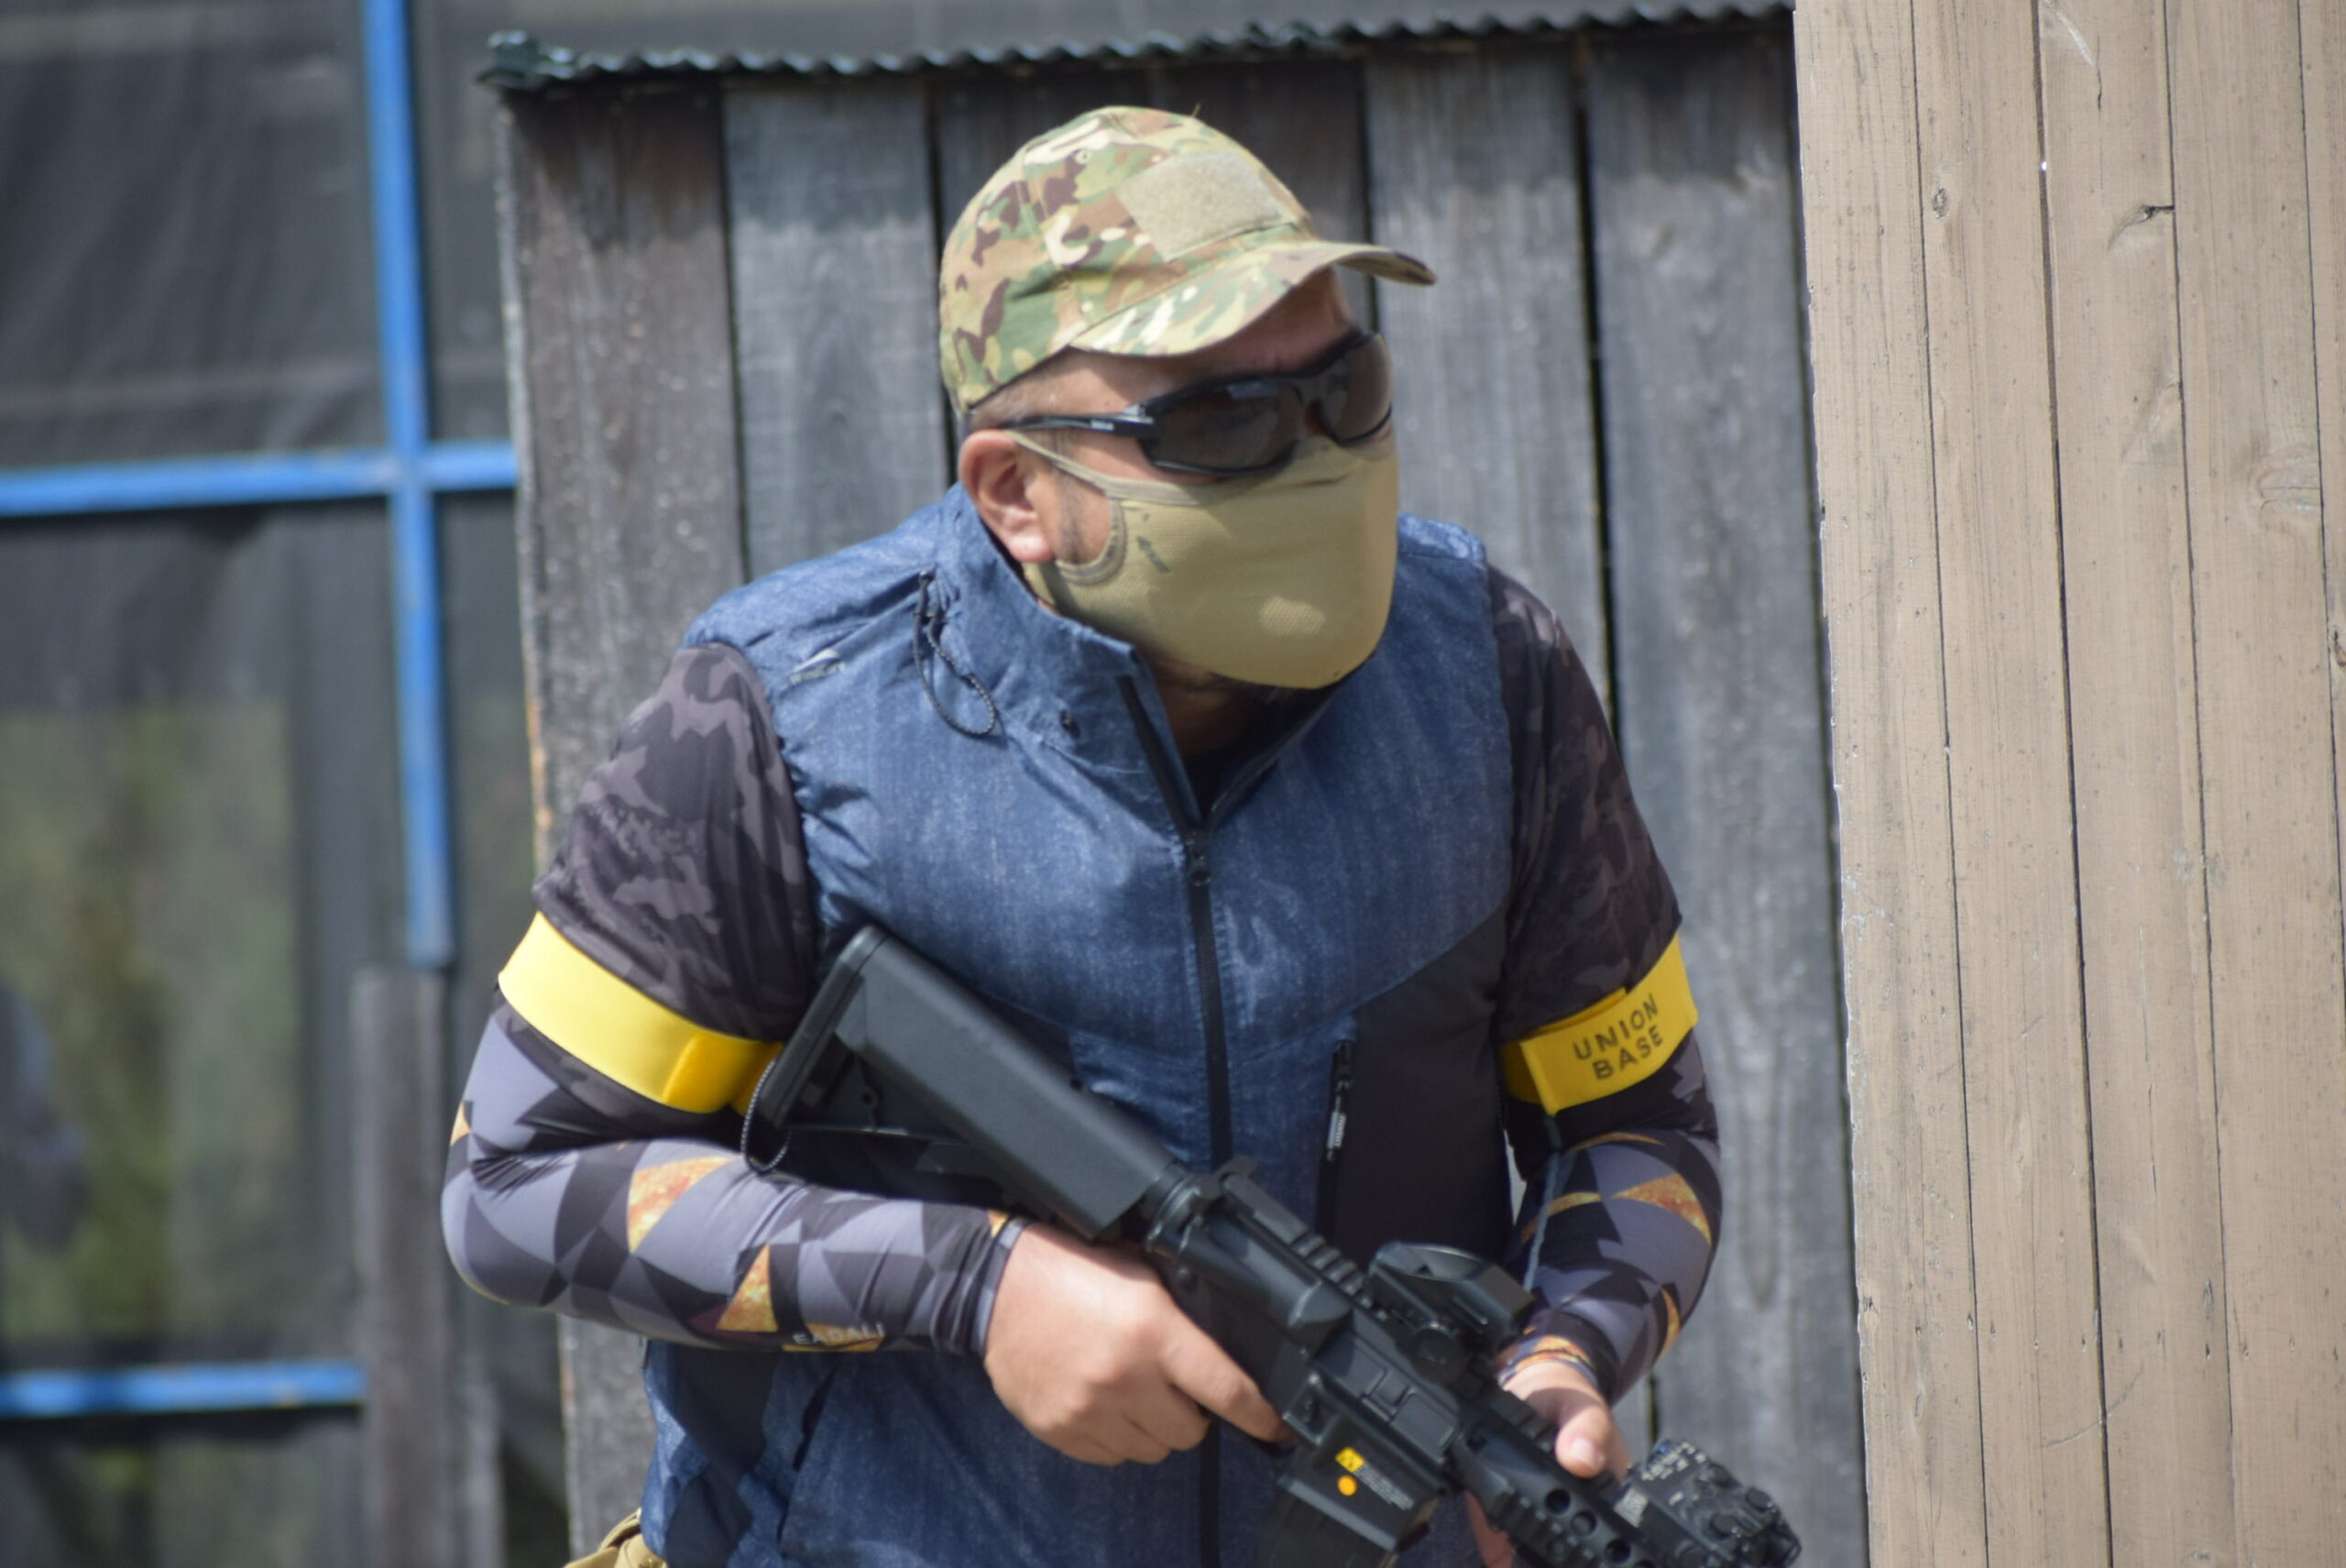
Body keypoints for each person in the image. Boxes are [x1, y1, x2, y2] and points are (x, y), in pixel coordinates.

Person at [443, 106, 1721, 1568]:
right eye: (1223, 425)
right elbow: (518, 1184)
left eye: (1344, 389)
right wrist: (977, 1286)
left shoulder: (1485, 674)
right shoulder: (779, 717)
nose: (1315, 458)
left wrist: (1565, 1355)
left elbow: (1639, 1128)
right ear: (1017, 492)